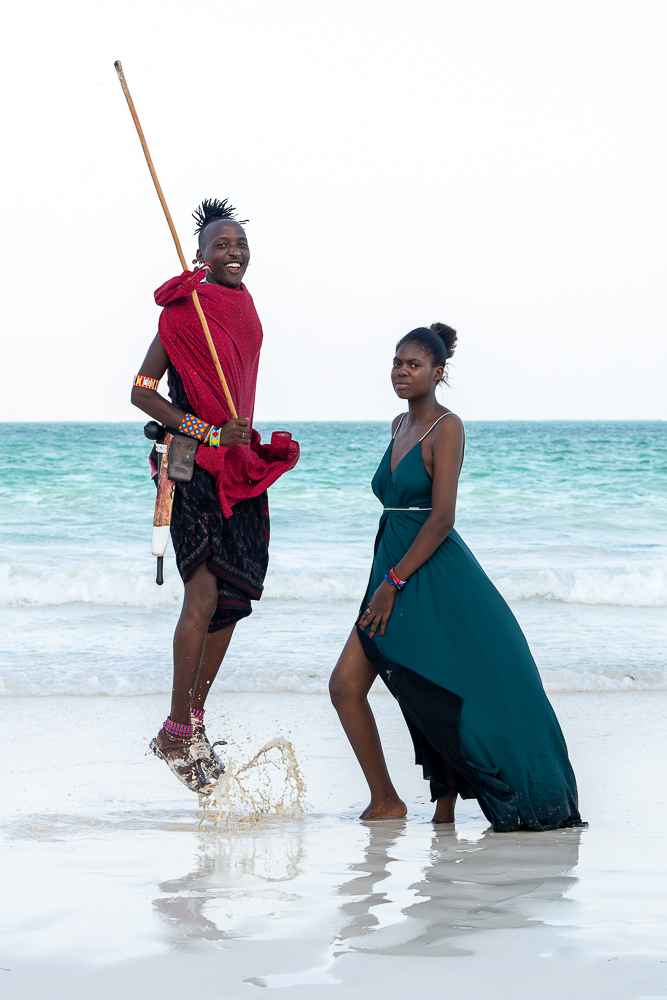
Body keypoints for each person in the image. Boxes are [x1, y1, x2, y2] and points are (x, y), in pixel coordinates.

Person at [329, 324, 584, 831]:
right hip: (391, 565)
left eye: (414, 365)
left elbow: (441, 517)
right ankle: (388, 799)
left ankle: (444, 804)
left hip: (426, 574)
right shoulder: (398, 423)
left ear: (438, 373)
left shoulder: (447, 428)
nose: (402, 372)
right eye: (397, 363)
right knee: (347, 687)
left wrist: (393, 583)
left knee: (436, 686)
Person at [131, 199, 299, 795]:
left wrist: (233, 436)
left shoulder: (245, 308)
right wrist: (202, 428)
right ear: (199, 254)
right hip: (190, 463)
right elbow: (141, 390)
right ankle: (178, 727)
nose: (235, 253)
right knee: (202, 592)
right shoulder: (183, 312)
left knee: (235, 594)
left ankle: (191, 724)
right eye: (222, 245)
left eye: (241, 245)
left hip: (240, 461)